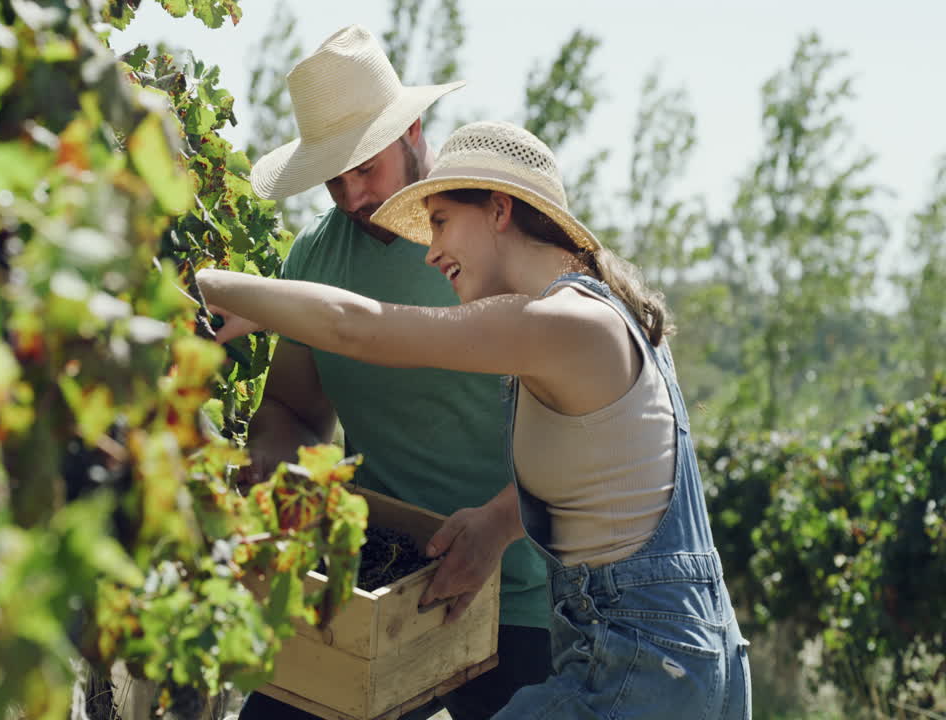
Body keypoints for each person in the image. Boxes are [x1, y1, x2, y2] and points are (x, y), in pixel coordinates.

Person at [198, 120, 753, 719]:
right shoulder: (590, 315)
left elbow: (359, 328)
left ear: (498, 210)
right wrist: (492, 520)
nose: (431, 251)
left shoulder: (566, 325)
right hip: (677, 663)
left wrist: (210, 285)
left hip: (640, 671)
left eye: (439, 222)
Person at [228, 24, 552, 720]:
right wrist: (277, 468)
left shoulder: (489, 242)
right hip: (376, 581)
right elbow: (292, 409)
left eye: (364, 169)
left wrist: (498, 526)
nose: (350, 195)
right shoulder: (313, 258)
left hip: (518, 592)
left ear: (412, 130)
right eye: (332, 177)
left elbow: (578, 425)